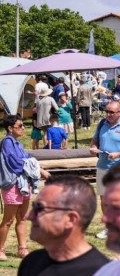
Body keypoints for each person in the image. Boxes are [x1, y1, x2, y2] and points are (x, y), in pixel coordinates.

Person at [18, 175, 109, 275]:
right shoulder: (31, 262)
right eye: (33, 206)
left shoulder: (103, 272)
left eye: (39, 208)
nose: (28, 216)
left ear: (71, 219)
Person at [1, 115, 51, 260]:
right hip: (12, 185)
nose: (23, 128)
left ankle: (22, 249)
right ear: (10, 128)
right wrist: (40, 171)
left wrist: (37, 167)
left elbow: (27, 158)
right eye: (20, 125)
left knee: (22, 218)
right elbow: (16, 163)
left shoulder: (18, 143)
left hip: (24, 184)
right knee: (8, 220)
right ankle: (1, 249)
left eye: (23, 125)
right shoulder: (7, 142)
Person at [88, 100, 120, 240]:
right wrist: (93, 148)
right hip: (103, 166)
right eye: (107, 111)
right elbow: (94, 142)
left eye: (111, 112)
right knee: (104, 199)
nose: (108, 114)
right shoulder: (102, 124)